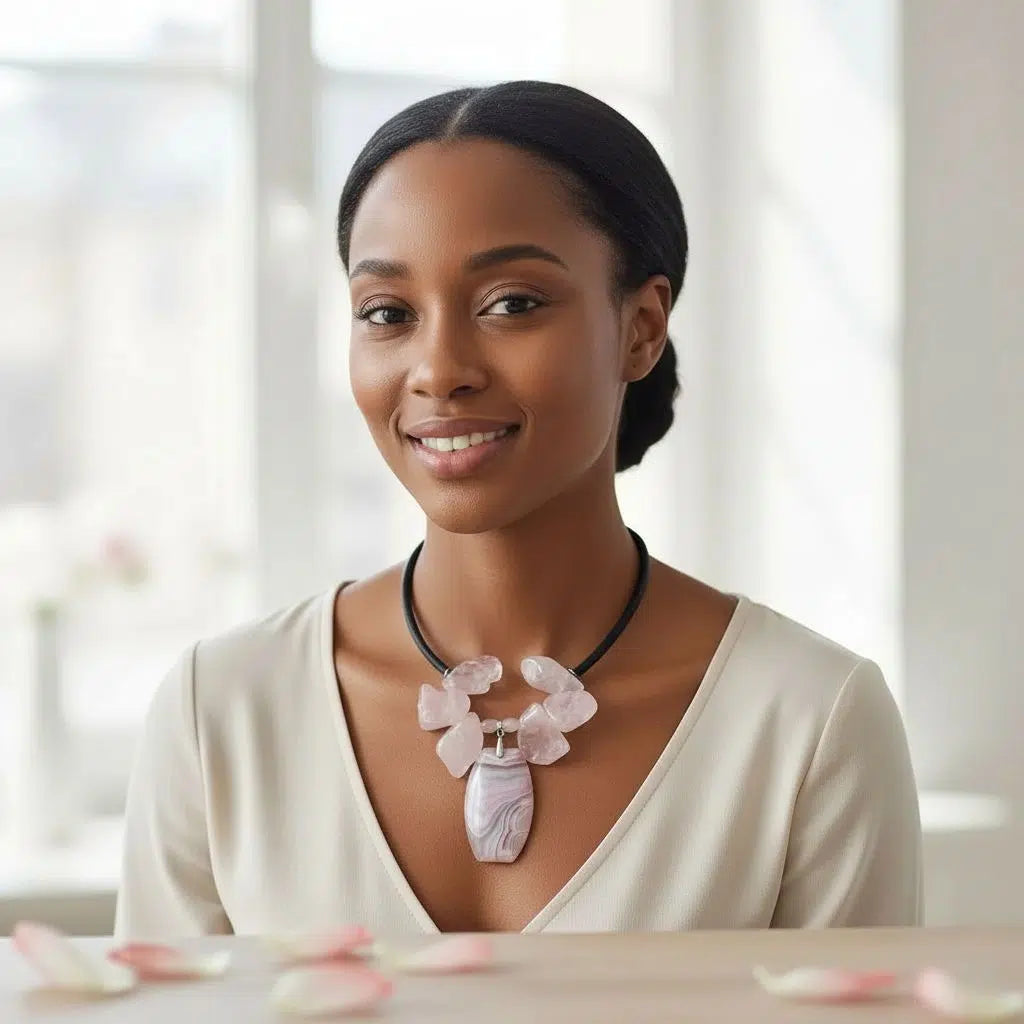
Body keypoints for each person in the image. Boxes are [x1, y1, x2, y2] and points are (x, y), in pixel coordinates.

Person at [115, 81, 921, 939]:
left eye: (512, 304)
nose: (439, 369)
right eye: (387, 313)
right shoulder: (224, 712)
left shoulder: (810, 719)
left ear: (642, 328)